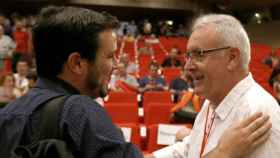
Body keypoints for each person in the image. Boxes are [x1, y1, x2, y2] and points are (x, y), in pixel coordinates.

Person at [0, 6, 142, 158]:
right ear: (77, 63)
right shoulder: (80, 111)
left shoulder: (6, 114)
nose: (115, 65)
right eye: (109, 56)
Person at [147, 13, 279, 158]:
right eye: (188, 56)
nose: (187, 66)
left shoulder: (258, 115)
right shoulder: (212, 101)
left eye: (199, 54)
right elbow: (192, 148)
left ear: (232, 58)